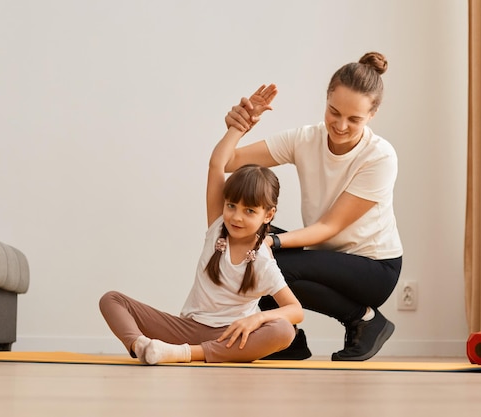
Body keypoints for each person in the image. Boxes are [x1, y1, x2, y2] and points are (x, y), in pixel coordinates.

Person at [99, 85, 304, 364]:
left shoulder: (263, 262)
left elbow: (295, 310)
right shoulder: (217, 226)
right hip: (186, 328)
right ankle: (144, 347)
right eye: (232, 206)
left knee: (284, 331)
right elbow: (216, 164)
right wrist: (241, 124)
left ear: (268, 215)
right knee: (112, 300)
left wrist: (257, 319)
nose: (236, 217)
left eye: (249, 211)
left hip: (230, 338)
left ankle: (182, 354)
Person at [223, 52, 403, 361]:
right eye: (334, 112)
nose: (341, 125)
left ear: (372, 115)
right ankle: (287, 340)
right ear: (327, 99)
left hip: (374, 268)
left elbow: (328, 228)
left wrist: (272, 241)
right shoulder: (305, 139)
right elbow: (228, 161)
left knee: (268, 258)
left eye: (354, 119)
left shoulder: (380, 157)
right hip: (327, 255)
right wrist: (239, 127)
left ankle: (366, 319)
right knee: (242, 241)